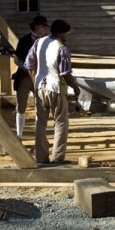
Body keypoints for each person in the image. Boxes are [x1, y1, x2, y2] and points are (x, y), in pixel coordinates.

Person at [25, 19, 80, 164]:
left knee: (40, 123)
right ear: (62, 33)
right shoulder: (62, 48)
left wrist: (36, 80)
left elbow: (29, 64)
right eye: (66, 33)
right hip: (55, 87)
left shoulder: (39, 42)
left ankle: (41, 157)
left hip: (39, 87)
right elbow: (65, 73)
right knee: (61, 122)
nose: (66, 36)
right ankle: (57, 157)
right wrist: (75, 87)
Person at [13, 15, 49, 139]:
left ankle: (40, 135)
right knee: (21, 106)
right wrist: (27, 69)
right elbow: (17, 59)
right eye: (43, 26)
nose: (44, 28)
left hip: (40, 78)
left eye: (45, 26)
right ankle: (19, 135)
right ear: (36, 26)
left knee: (41, 106)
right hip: (24, 78)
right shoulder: (24, 40)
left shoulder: (46, 41)